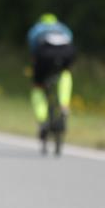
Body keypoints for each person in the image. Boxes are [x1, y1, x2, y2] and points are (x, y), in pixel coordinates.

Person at [27, 13, 75, 141]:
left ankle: (42, 120)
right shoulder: (63, 28)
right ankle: (64, 105)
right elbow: (71, 40)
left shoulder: (37, 28)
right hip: (66, 52)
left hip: (45, 54)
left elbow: (33, 50)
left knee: (38, 87)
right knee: (65, 73)